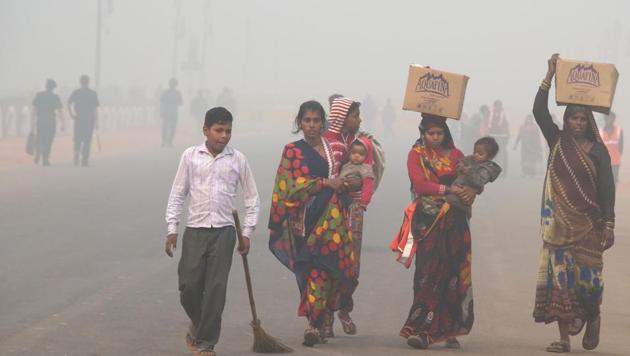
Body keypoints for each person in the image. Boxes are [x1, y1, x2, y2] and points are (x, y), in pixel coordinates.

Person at [532, 53, 615, 353]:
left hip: (589, 226)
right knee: (561, 283)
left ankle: (592, 316)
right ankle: (564, 339)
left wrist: (609, 223)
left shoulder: (598, 152)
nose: (577, 123)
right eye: (572, 118)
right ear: (565, 121)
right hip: (558, 227)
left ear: (588, 121)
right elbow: (539, 111)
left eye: (582, 118)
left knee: (589, 286)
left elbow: (607, 189)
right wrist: (549, 75)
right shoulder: (558, 141)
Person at [165, 107, 260, 356]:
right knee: (188, 286)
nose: (224, 136)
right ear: (206, 130)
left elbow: (252, 198)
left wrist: (247, 232)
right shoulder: (190, 156)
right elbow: (178, 193)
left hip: (225, 232)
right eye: (218, 130)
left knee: (216, 289)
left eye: (228, 131)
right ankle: (199, 322)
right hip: (195, 230)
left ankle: (207, 343)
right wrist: (172, 228)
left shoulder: (238, 159)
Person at [268, 100, 357, 347]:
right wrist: (325, 183)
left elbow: (351, 173)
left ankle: (314, 325)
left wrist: (351, 182)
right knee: (307, 272)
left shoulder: (335, 149)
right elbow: (287, 187)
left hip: (332, 221)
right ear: (299, 123)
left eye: (316, 120)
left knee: (324, 268)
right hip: (303, 221)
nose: (311, 125)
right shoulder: (292, 151)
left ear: (323, 123)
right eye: (307, 120)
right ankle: (321, 317)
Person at [390, 114, 477, 350]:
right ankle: (423, 328)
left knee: (454, 273)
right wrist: (449, 188)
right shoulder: (416, 155)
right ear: (423, 134)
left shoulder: (458, 156)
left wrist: (472, 190)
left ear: (446, 133)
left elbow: (472, 180)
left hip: (456, 224)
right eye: (431, 133)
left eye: (439, 133)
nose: (435, 138)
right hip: (429, 223)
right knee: (428, 273)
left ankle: (450, 330)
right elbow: (420, 185)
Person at [322, 97, 385, 336]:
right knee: (327, 264)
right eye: (355, 115)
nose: (359, 120)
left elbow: (372, 170)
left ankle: (344, 309)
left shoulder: (361, 142)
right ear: (341, 117)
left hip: (355, 211)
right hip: (329, 212)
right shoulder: (327, 143)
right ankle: (325, 317)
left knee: (351, 265)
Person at [445, 136, 502, 214]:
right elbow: (461, 161)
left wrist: (468, 172)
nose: (476, 155)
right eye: (474, 152)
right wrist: (460, 165)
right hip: (457, 186)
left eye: (480, 154)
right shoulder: (471, 159)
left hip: (464, 194)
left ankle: (465, 209)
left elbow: (478, 182)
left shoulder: (487, 169)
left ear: (490, 157)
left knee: (450, 199)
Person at [68, 75, 100, 166]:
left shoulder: (76, 92)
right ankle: (84, 159)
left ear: (80, 82)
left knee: (77, 138)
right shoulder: (93, 93)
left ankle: (76, 151)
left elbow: (68, 103)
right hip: (89, 119)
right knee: (87, 139)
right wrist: (96, 121)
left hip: (78, 118)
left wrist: (71, 114)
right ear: (88, 82)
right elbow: (95, 109)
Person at [32, 79, 64, 166]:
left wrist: (32, 123)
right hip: (50, 120)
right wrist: (63, 123)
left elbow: (34, 110)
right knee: (49, 140)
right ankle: (45, 159)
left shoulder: (39, 95)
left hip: (41, 119)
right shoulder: (55, 97)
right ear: (53, 88)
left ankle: (38, 151)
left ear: (46, 86)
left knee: (40, 137)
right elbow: (60, 111)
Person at [339, 139, 375, 209]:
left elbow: (368, 186)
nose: (356, 156)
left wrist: (363, 202)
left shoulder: (365, 169)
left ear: (366, 156)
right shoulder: (346, 166)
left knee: (354, 218)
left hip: (357, 202)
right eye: (353, 153)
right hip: (342, 198)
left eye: (360, 154)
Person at [485, 100, 510, 176]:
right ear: (494, 106)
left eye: (499, 105)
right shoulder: (489, 114)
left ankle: (504, 171)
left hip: (502, 137)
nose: (498, 107)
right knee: (492, 154)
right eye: (496, 105)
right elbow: (486, 124)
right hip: (492, 136)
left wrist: (507, 137)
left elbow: (507, 126)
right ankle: (492, 171)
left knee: (503, 154)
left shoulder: (505, 114)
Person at [599, 112, 623, 183]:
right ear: (604, 119)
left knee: (614, 180)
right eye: (606, 117)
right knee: (604, 181)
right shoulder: (600, 132)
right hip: (604, 162)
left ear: (613, 119)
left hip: (615, 161)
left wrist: (617, 156)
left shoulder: (619, 131)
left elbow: (621, 147)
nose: (608, 119)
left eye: (610, 117)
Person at [161, 78, 183, 147]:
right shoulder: (177, 93)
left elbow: (162, 102)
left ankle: (165, 141)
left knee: (165, 127)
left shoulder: (166, 92)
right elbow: (180, 103)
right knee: (172, 127)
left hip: (167, 112)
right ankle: (169, 141)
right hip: (173, 112)